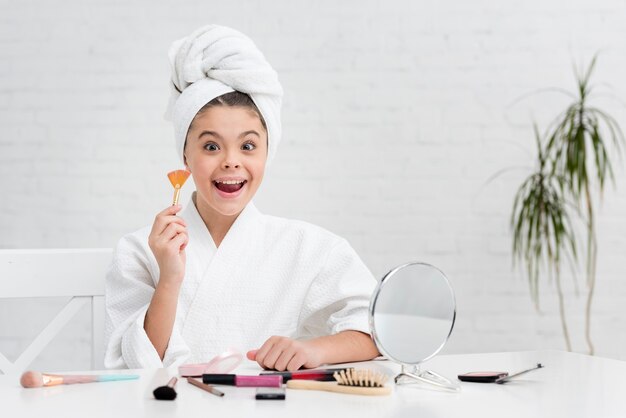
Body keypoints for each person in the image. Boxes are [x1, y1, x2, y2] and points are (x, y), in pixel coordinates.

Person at [104, 24, 379, 371]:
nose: (231, 160)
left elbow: (376, 330)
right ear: (185, 156)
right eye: (211, 146)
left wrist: (313, 351)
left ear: (267, 153)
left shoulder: (309, 248)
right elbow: (137, 366)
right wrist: (170, 278)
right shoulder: (138, 251)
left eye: (248, 146)